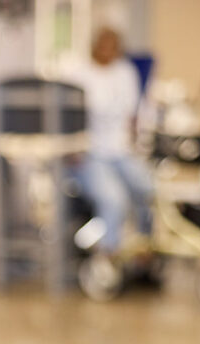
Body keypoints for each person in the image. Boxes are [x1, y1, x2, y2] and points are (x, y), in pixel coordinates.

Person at [68, 26, 154, 261]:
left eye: (112, 44)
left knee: (148, 190)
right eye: (103, 43)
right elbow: (68, 120)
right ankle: (108, 257)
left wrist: (139, 146)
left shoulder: (125, 72)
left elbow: (134, 115)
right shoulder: (79, 74)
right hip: (91, 153)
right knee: (114, 200)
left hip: (121, 151)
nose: (107, 49)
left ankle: (144, 248)